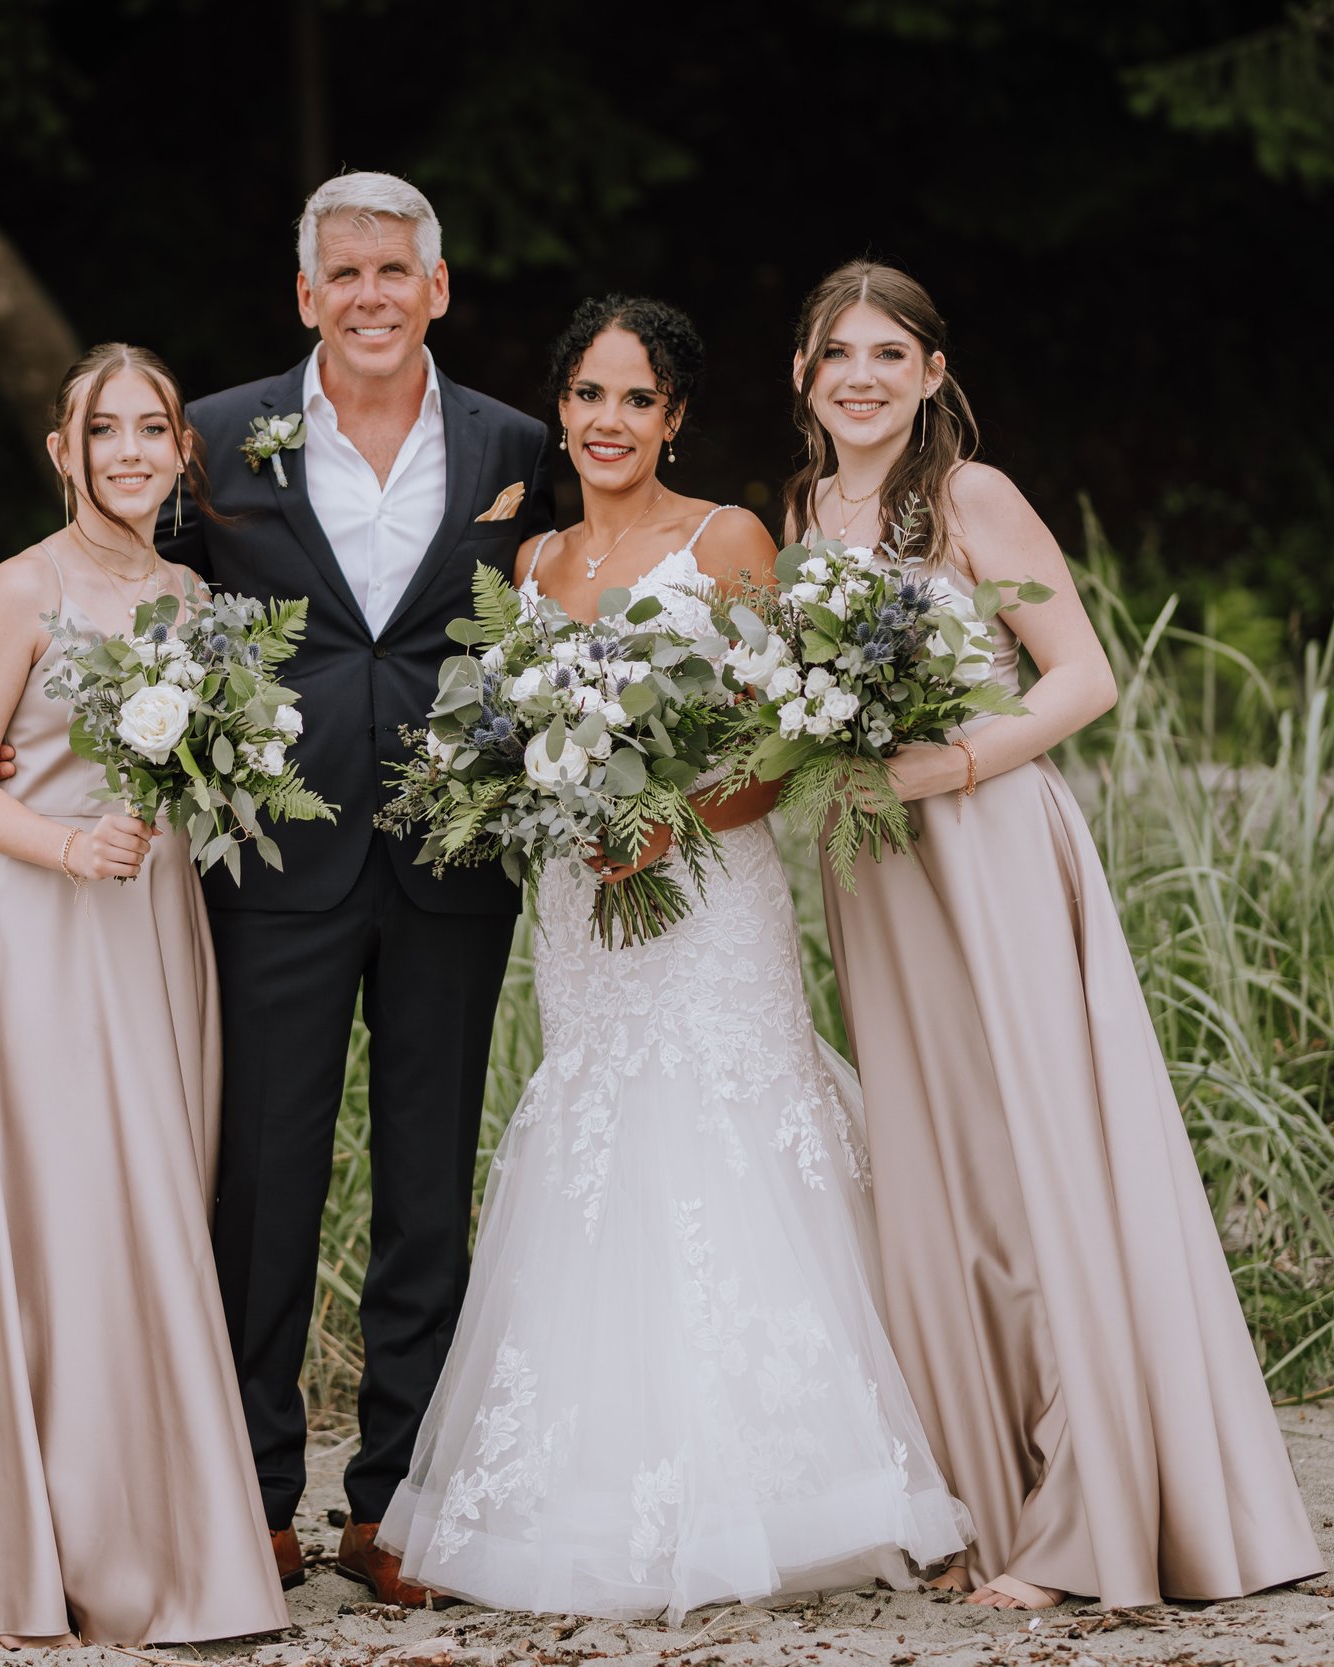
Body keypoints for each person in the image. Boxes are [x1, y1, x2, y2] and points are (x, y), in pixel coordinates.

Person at [379, 296, 972, 1621]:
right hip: (584, 911)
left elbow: (779, 736)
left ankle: (794, 1487)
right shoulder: (528, 570)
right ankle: (591, 1495)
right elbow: (506, 740)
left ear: (677, 417)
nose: (607, 422)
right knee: (599, 1146)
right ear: (561, 411)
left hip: (708, 895)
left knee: (724, 1131)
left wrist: (668, 821)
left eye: (635, 400)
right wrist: (556, 810)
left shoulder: (728, 538)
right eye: (587, 397)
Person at [786, 260, 1326, 1611]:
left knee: (1036, 1165)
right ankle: (979, 1503)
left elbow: (1084, 677)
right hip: (878, 872)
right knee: (938, 1176)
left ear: (930, 375)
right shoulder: (799, 513)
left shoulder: (967, 498)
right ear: (804, 374)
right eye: (837, 352)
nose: (861, 374)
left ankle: (1092, 1516)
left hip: (989, 849)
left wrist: (952, 768)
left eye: (887, 354)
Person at [0, 344, 290, 1647]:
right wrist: (69, 840)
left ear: (180, 452)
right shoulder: (21, 590)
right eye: (107, 430)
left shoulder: (196, 600)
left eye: (154, 429)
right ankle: (69, 1542)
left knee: (156, 1211)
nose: (132, 450)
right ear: (62, 449)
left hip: (159, 930)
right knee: (74, 1216)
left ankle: (151, 1522)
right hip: (45, 929)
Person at [156, 171, 554, 1607]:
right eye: (347, 275)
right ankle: (252, 1499)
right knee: (261, 1183)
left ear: (438, 288)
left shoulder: (519, 442)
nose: (374, 296)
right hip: (273, 858)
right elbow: (138, 601)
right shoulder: (209, 437)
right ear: (307, 296)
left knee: (427, 1188)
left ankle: (399, 1506)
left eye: (399, 271)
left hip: (455, 857)